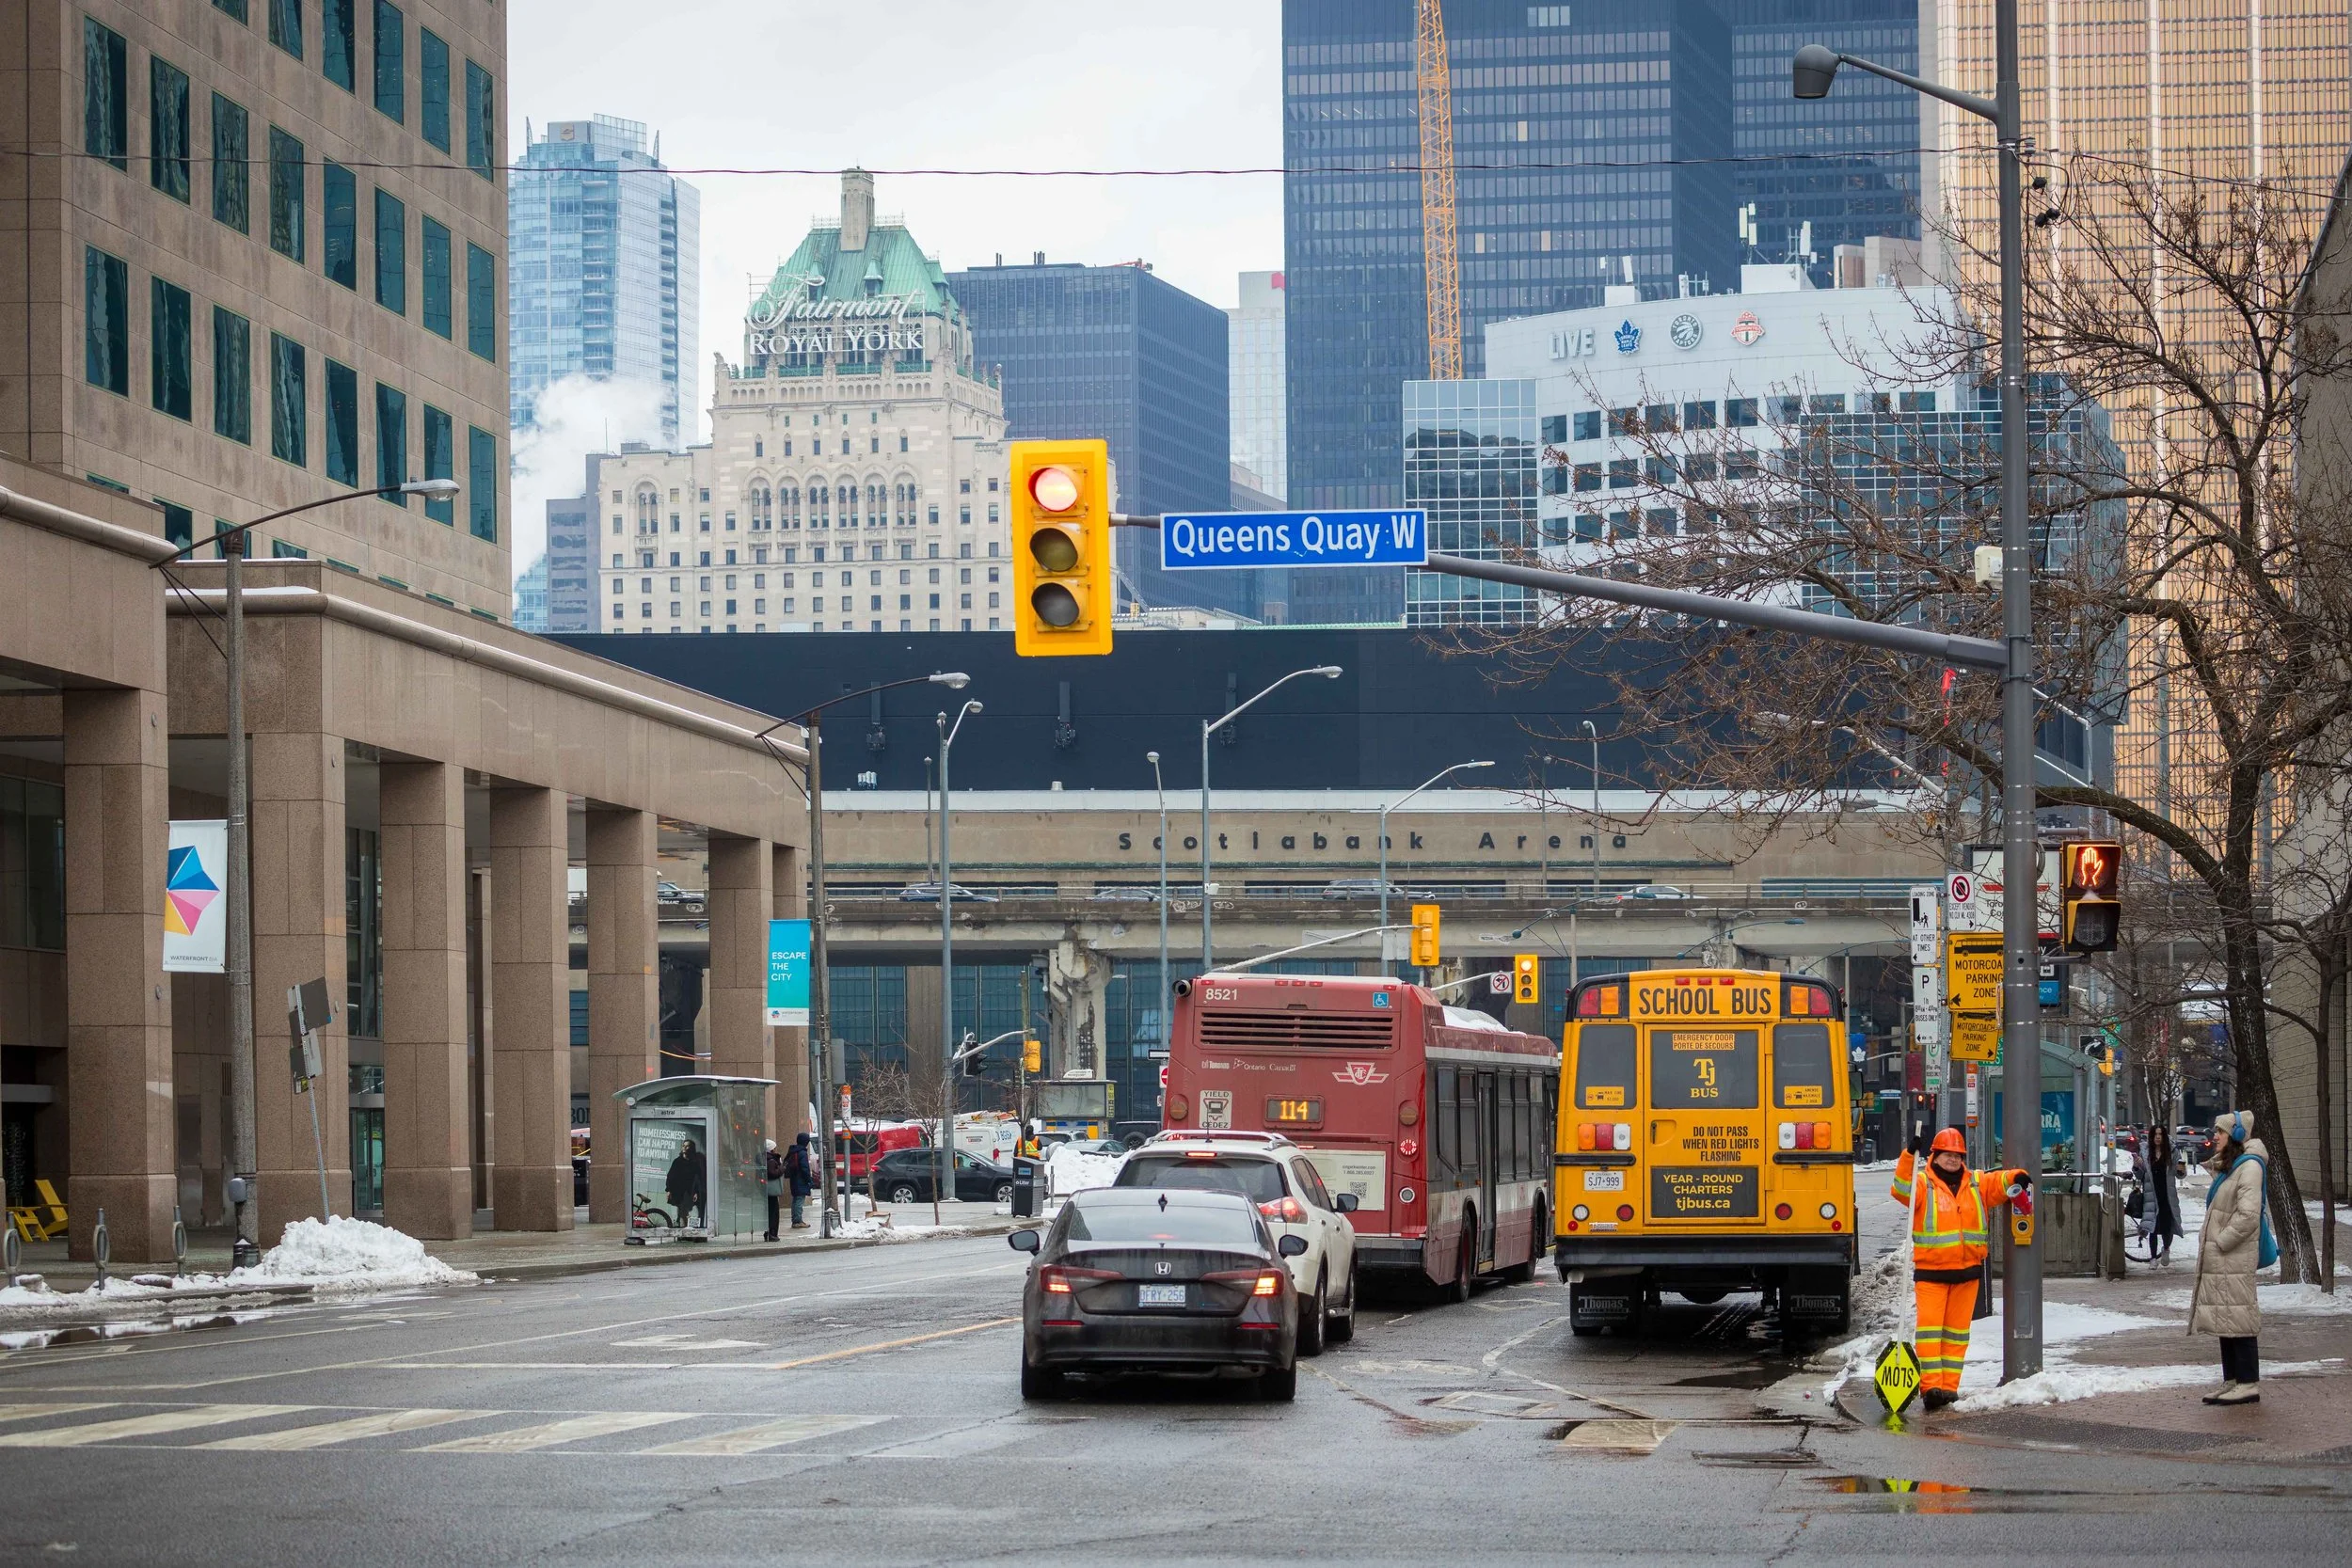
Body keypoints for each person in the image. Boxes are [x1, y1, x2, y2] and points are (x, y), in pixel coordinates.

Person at [1891, 1125, 2030, 1410]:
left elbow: (1999, 1182)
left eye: (1958, 1155)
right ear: (1936, 1155)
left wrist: (2017, 1177)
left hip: (1967, 1275)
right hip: (1931, 1276)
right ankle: (1931, 1388)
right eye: (1947, 1154)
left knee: (1956, 1335)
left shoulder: (1976, 1183)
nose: (1953, 1159)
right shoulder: (1922, 1183)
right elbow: (1900, 1190)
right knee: (1930, 1333)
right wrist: (1908, 1155)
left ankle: (1950, 1389)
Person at [2190, 1109, 2270, 1406]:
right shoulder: (2233, 1166)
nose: (2215, 1137)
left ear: (2236, 1135)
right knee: (2226, 1317)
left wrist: (2221, 1242)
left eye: (2220, 1132)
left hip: (2235, 1254)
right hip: (2223, 1256)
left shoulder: (2250, 1167)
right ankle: (2233, 1379)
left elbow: (2248, 1215)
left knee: (2240, 1315)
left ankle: (2248, 1382)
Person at [2144, 1125, 2183, 1264]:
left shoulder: (2172, 1152)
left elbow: (2180, 1175)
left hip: (2167, 1196)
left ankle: (2166, 1248)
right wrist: (2137, 1166)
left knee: (2167, 1227)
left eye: (2160, 1134)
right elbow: (2140, 1174)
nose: (2158, 1137)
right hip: (2151, 1195)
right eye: (2155, 1134)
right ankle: (2153, 1258)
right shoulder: (2146, 1152)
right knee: (2152, 1227)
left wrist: (2180, 1170)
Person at [664, 1138, 706, 1230]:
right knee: (681, 1212)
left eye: (687, 1146)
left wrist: (695, 1192)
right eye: (683, 1146)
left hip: (689, 1191)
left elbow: (698, 1179)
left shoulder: (694, 1163)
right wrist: (668, 1190)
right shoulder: (677, 1161)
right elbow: (670, 1176)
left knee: (688, 1212)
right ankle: (683, 1230)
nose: (684, 1148)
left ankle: (686, 1230)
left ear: (691, 1149)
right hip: (678, 1191)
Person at [786, 1132, 816, 1228]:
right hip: (801, 1180)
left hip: (794, 1179)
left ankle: (796, 1219)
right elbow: (805, 1168)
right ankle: (797, 1221)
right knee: (799, 1201)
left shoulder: (793, 1151)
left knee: (796, 1200)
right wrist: (809, 1180)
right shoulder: (802, 1153)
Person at [761, 1138, 786, 1242]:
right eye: (774, 1148)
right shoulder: (771, 1160)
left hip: (765, 1189)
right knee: (773, 1212)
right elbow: (772, 1173)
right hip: (771, 1191)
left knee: (769, 1212)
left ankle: (769, 1232)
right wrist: (782, 1169)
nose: (775, 1150)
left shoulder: (764, 1158)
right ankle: (772, 1233)